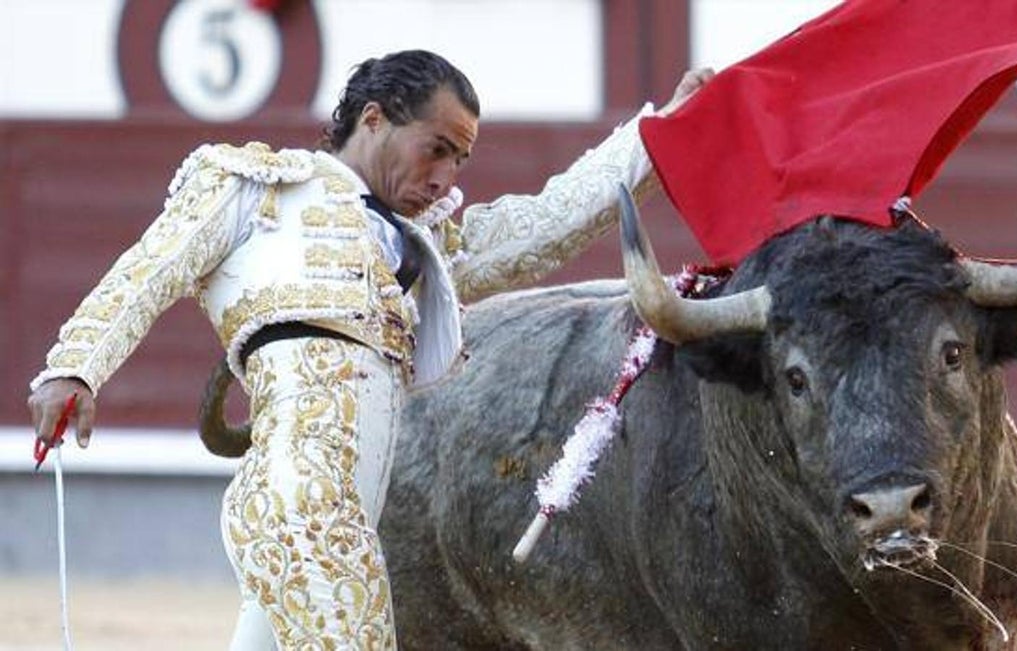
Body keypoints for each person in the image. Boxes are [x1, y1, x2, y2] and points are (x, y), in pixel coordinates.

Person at [28, 49, 712, 649]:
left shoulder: (427, 245)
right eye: (436, 148)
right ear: (376, 119)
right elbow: (149, 270)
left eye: (460, 158)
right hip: (301, 495)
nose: (445, 177)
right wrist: (75, 366)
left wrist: (659, 135)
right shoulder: (259, 189)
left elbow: (548, 219)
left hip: (350, 509)